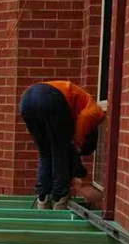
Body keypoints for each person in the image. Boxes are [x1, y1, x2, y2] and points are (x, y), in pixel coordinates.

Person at [19, 80, 105, 209]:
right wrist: (78, 143)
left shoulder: (78, 102)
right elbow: (87, 116)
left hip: (27, 100)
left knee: (45, 153)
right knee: (60, 153)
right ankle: (60, 199)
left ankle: (43, 198)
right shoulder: (97, 112)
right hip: (50, 97)